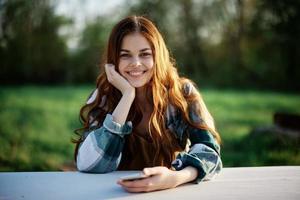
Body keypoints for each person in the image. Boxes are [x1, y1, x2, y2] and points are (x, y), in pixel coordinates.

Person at [73, 15, 222, 193]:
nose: (136, 63)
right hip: (113, 193)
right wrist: (127, 96)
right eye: (125, 55)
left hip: (173, 193)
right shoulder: (103, 97)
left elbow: (210, 152)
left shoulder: (182, 94)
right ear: (113, 61)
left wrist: (175, 178)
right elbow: (88, 164)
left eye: (144, 54)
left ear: (157, 56)